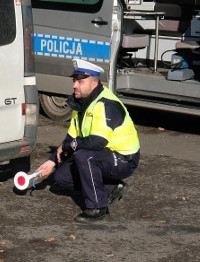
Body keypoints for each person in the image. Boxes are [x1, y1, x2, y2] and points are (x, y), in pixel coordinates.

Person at [34, 59, 140, 223]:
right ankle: (112, 187)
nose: (75, 85)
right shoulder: (81, 103)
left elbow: (97, 142)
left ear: (93, 82)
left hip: (124, 159)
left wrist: (72, 145)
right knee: (61, 178)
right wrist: (52, 162)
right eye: (74, 80)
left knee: (84, 156)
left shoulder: (106, 103)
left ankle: (98, 208)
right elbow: (71, 137)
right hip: (104, 156)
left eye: (80, 81)